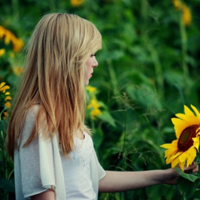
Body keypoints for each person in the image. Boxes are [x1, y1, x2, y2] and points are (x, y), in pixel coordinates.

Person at [6, 13, 198, 200]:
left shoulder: (65, 116)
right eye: (91, 54)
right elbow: (43, 195)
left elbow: (97, 178)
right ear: (68, 59)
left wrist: (165, 176)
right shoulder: (36, 117)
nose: (95, 63)